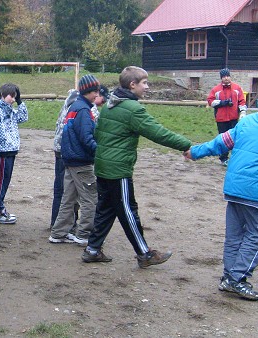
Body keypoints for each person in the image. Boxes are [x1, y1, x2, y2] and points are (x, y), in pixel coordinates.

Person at [82, 66, 192, 268]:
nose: (147, 87)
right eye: (144, 83)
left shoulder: (109, 106)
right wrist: (187, 145)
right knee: (128, 211)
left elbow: (98, 134)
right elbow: (158, 132)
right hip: (118, 170)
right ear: (132, 85)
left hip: (104, 166)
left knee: (106, 209)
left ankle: (92, 250)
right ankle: (144, 254)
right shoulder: (133, 109)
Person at [184, 109, 258, 301]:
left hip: (234, 187)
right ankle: (237, 278)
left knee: (235, 235)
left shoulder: (248, 121)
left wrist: (195, 152)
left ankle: (228, 277)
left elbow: (221, 142)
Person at [49, 75, 100, 246]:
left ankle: (58, 232)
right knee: (90, 198)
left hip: (69, 160)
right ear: (86, 91)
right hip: (81, 162)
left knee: (68, 198)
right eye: (94, 91)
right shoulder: (84, 111)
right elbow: (86, 138)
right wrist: (100, 151)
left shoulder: (74, 106)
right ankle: (84, 234)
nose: (96, 95)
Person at [0, 83, 28, 224]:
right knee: (0, 181)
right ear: (2, 94)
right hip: (3, 151)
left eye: (15, 97)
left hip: (11, 149)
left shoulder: (10, 109)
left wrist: (20, 102)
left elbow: (23, 118)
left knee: (5, 181)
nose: (13, 99)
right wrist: (3, 145)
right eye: (11, 96)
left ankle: (0, 207)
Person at [50, 89, 79, 228]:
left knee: (61, 190)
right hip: (67, 152)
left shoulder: (70, 101)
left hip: (60, 149)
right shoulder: (80, 105)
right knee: (67, 191)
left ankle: (57, 222)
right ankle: (62, 225)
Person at [206, 68, 247, 166]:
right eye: (224, 76)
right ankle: (223, 158)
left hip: (233, 118)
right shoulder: (216, 90)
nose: (226, 78)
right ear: (221, 78)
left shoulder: (237, 88)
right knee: (223, 139)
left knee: (234, 138)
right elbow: (210, 101)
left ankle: (235, 158)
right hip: (221, 119)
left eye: (227, 76)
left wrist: (243, 113)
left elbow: (241, 101)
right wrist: (222, 103)